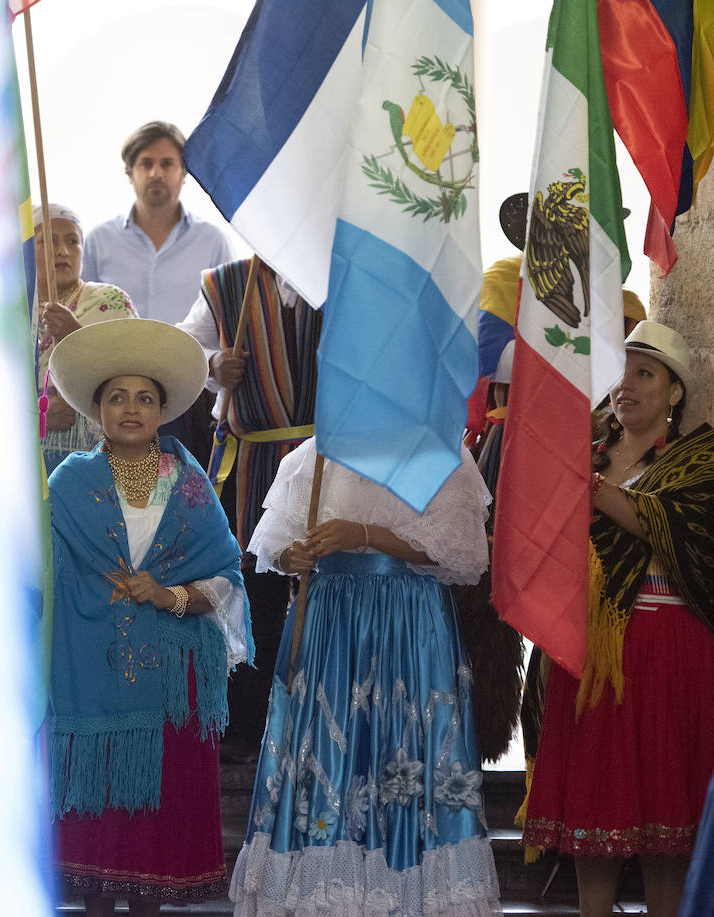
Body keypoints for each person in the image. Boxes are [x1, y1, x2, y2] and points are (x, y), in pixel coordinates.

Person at [230, 438, 504, 916]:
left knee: (403, 744)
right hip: (330, 621)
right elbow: (275, 548)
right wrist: (296, 556)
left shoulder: (438, 455)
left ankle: (407, 889)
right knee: (326, 748)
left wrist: (364, 534)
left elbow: (458, 551)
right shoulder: (309, 459)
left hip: (406, 620)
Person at [520, 320, 714, 917]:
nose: (627, 385)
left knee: (668, 815)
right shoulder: (584, 454)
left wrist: (594, 491)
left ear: (674, 392)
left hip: (671, 649)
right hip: (590, 653)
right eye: (621, 372)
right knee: (597, 808)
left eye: (645, 373)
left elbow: (689, 532)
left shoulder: (703, 458)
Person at [45, 318, 252, 916]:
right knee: (95, 835)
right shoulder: (66, 483)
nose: (130, 409)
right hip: (85, 667)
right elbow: (46, 571)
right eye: (117, 397)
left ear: (162, 411)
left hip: (170, 678)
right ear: (96, 409)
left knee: (154, 834)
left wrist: (169, 597)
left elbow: (226, 579)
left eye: (144, 398)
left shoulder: (189, 486)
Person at [175, 256, 321, 763]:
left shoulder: (339, 274)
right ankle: (245, 729)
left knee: (323, 589)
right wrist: (214, 364)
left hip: (324, 461)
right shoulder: (227, 281)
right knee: (252, 591)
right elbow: (182, 348)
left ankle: (318, 726)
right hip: (253, 461)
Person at [81, 121, 235, 466]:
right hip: (117, 390)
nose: (156, 173)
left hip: (189, 393)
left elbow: (228, 325)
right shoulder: (98, 240)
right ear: (130, 173)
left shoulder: (213, 241)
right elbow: (83, 312)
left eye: (167, 163)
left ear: (183, 174)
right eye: (145, 163)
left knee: (186, 496)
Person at [33, 203, 137, 473]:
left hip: (96, 461)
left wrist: (73, 334)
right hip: (23, 466)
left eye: (72, 242)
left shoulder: (109, 301)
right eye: (48, 241)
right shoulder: (11, 311)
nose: (62, 251)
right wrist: (37, 416)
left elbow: (132, 375)